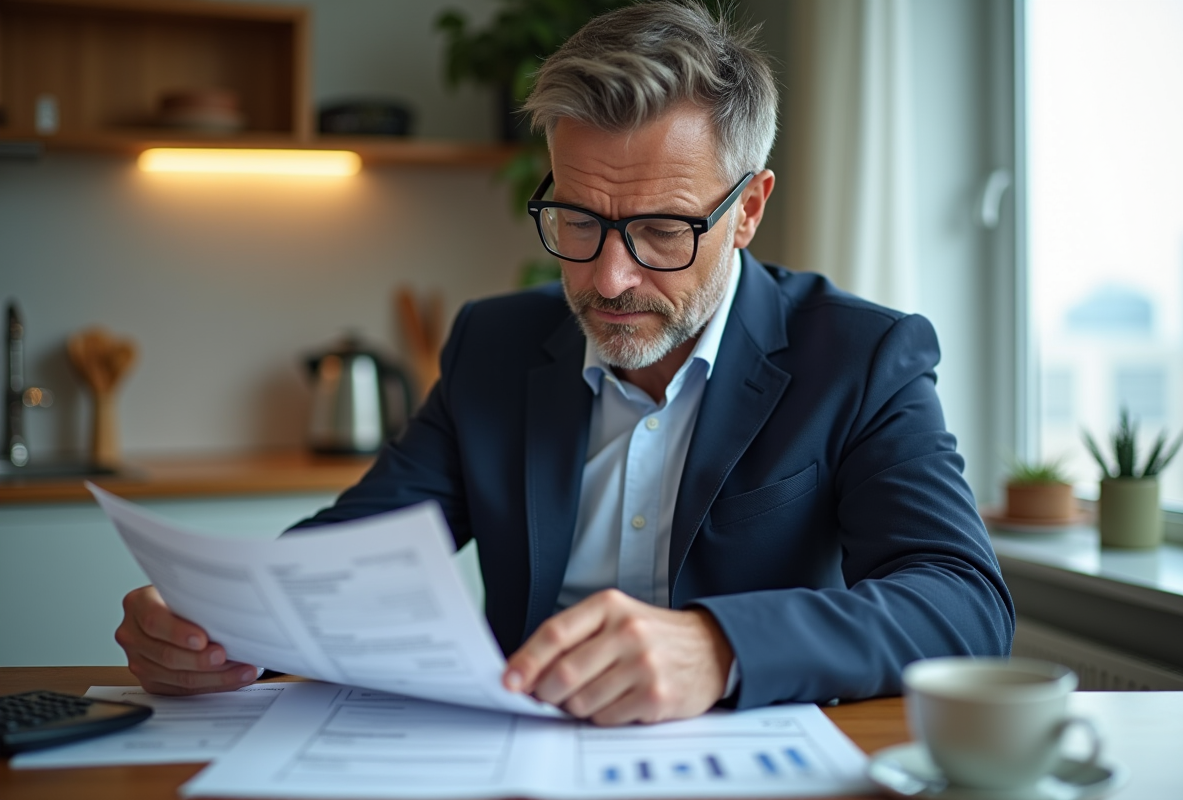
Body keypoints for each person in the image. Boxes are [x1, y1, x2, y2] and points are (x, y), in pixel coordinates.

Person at [115, 1, 1014, 725]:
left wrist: (719, 646)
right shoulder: (494, 344)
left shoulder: (861, 356)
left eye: (662, 228)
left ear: (747, 210)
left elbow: (963, 604)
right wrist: (225, 621)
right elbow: (360, 551)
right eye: (578, 221)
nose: (609, 277)